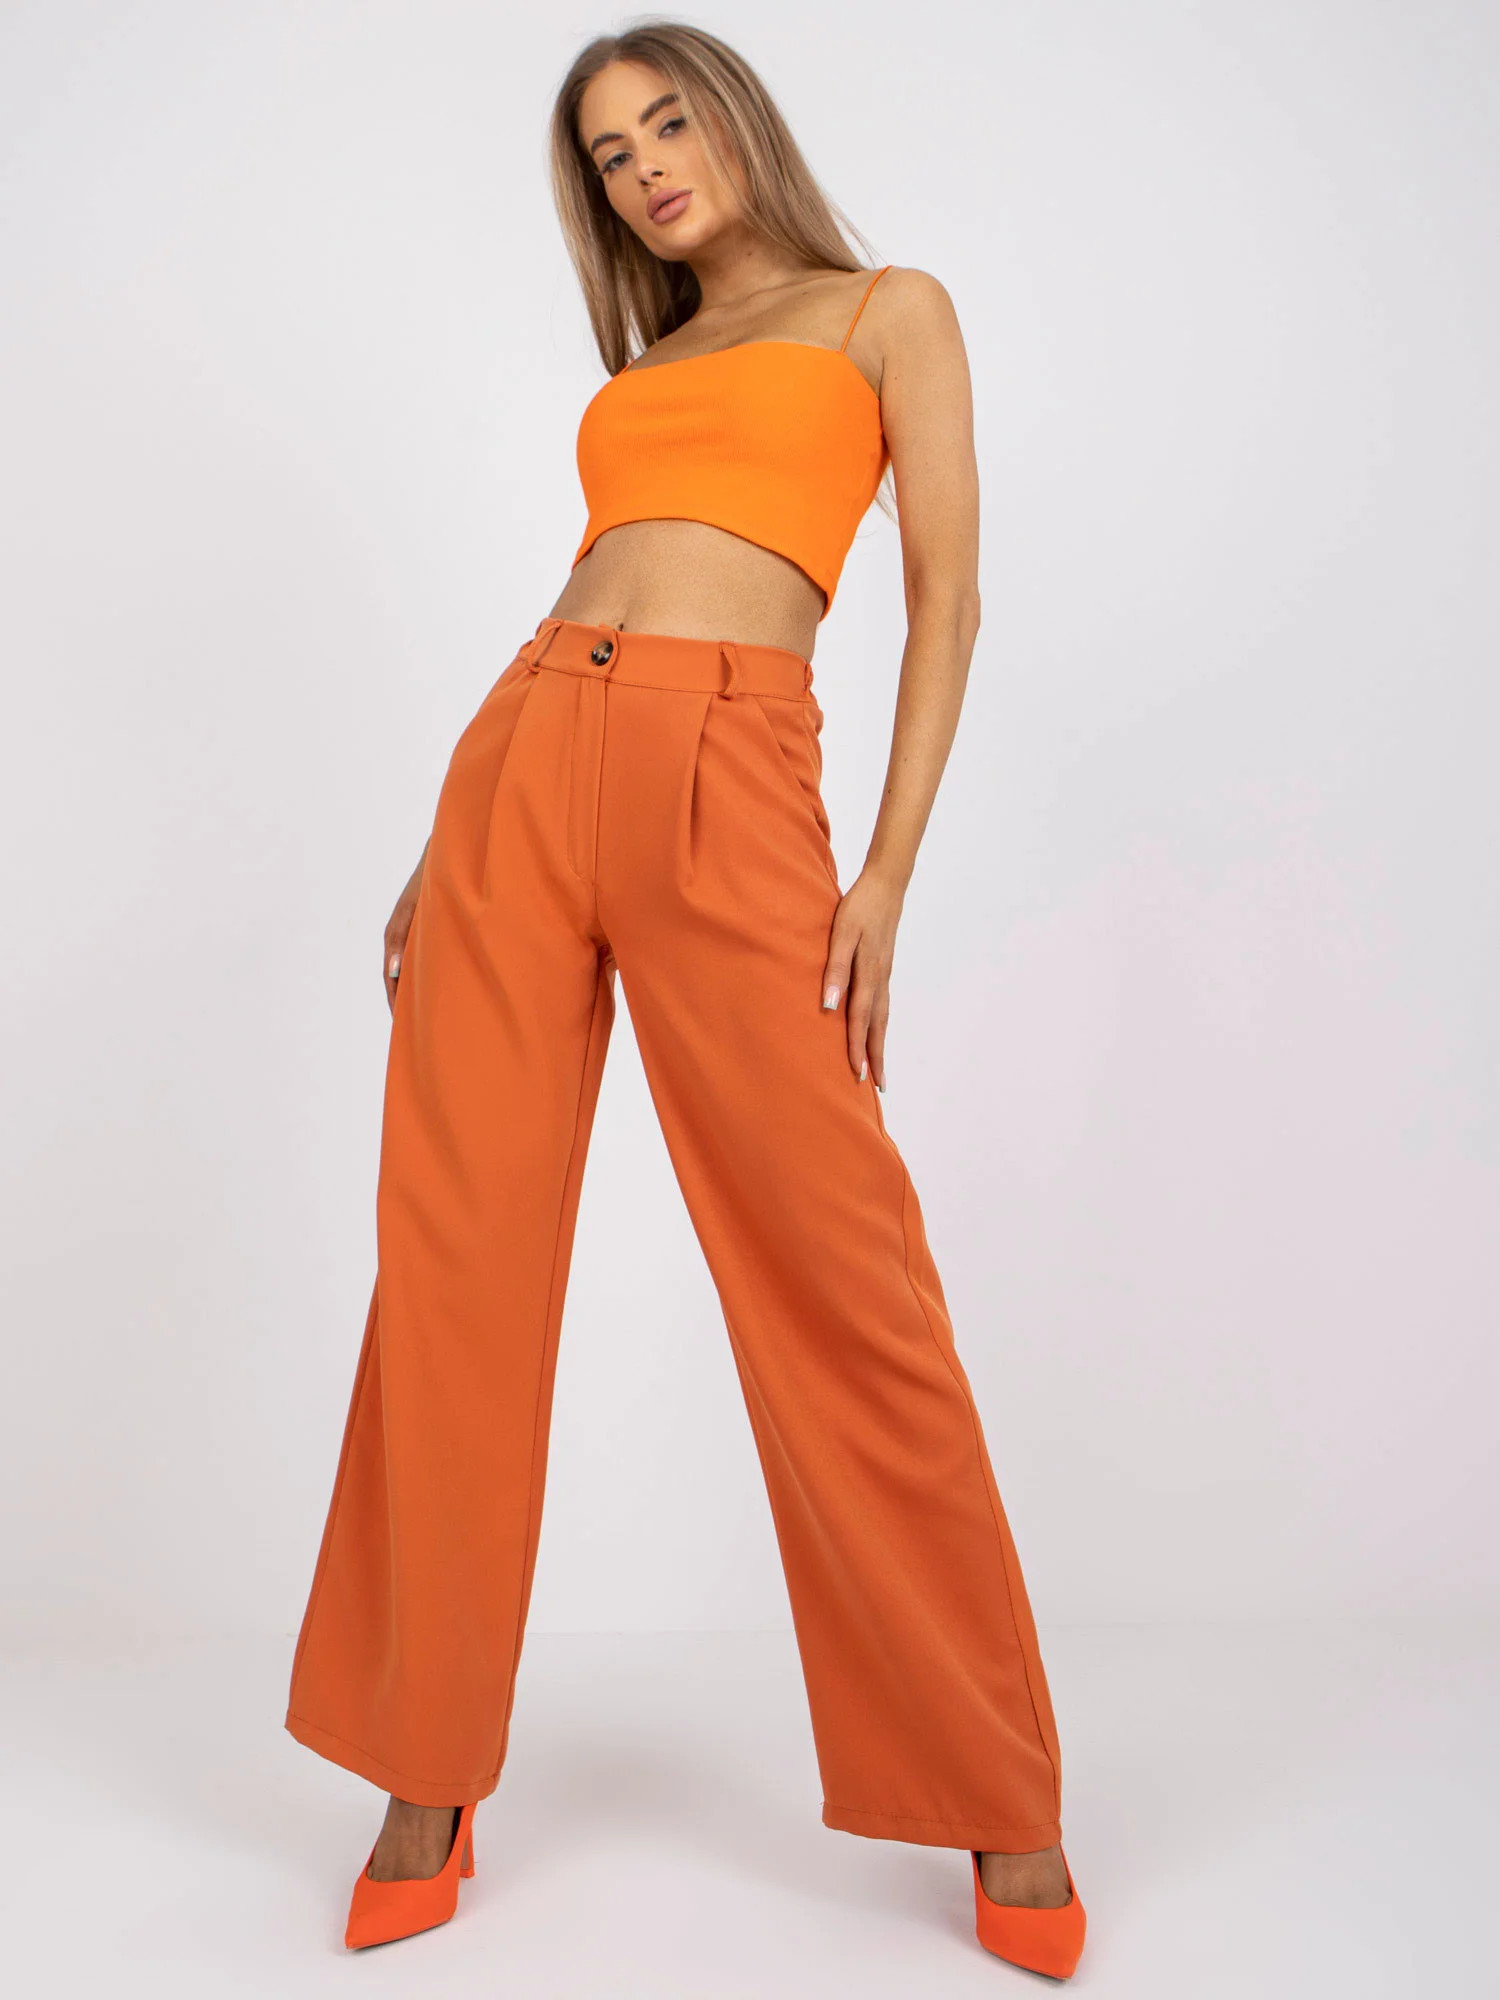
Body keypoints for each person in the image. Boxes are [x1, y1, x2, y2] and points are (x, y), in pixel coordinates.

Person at [284, 19, 1086, 1978]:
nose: (645, 163)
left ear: (734, 120)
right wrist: (448, 836)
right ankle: (423, 1768)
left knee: (843, 1279)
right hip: (523, 760)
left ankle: (997, 1788)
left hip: (737, 775)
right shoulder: (646, 370)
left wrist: (883, 872)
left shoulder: (887, 312)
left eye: (666, 120)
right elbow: (595, 580)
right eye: (609, 150)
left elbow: (950, 596)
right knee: (454, 1262)